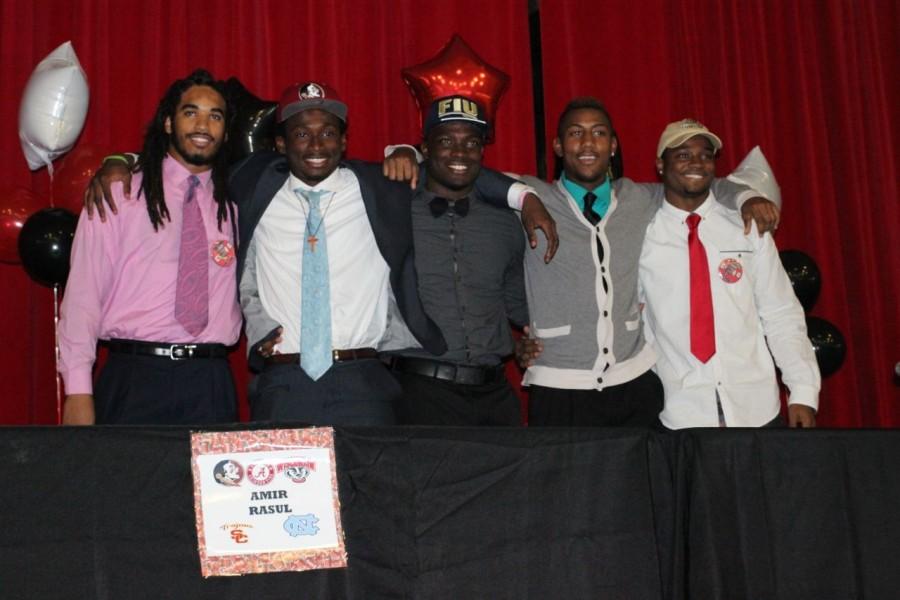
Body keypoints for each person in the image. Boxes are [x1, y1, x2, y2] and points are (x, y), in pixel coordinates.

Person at [230, 82, 553, 425]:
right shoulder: (254, 188)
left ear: (343, 141)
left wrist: (523, 196)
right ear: (281, 143)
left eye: (327, 133)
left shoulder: (377, 187)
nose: (316, 145)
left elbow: (455, 167)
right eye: (301, 134)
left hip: (363, 381)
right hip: (284, 381)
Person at [513, 98, 779, 427]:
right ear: (557, 145)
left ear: (612, 146)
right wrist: (522, 197)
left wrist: (746, 196)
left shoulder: (638, 197)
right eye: (575, 133)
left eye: (598, 133)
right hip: (558, 386)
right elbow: (481, 184)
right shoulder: (534, 195)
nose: (586, 143)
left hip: (632, 385)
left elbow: (701, 182)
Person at [58, 69, 241, 425]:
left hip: (211, 383)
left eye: (215, 116)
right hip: (134, 378)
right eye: (191, 112)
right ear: (169, 123)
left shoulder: (233, 205)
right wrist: (77, 391)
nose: (203, 125)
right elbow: (82, 296)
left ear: (226, 132)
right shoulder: (119, 194)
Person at [639, 119, 819, 428]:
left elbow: (781, 313)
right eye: (683, 155)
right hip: (679, 412)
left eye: (705, 155)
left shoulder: (747, 227)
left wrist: (802, 391)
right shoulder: (642, 236)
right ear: (660, 164)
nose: (696, 163)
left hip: (757, 408)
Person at [384, 95, 528, 426]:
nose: (460, 153)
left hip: (494, 398)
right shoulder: (391, 210)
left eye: (471, 142)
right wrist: (398, 151)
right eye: (447, 141)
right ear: (426, 147)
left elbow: (518, 303)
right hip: (417, 393)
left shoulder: (507, 221)